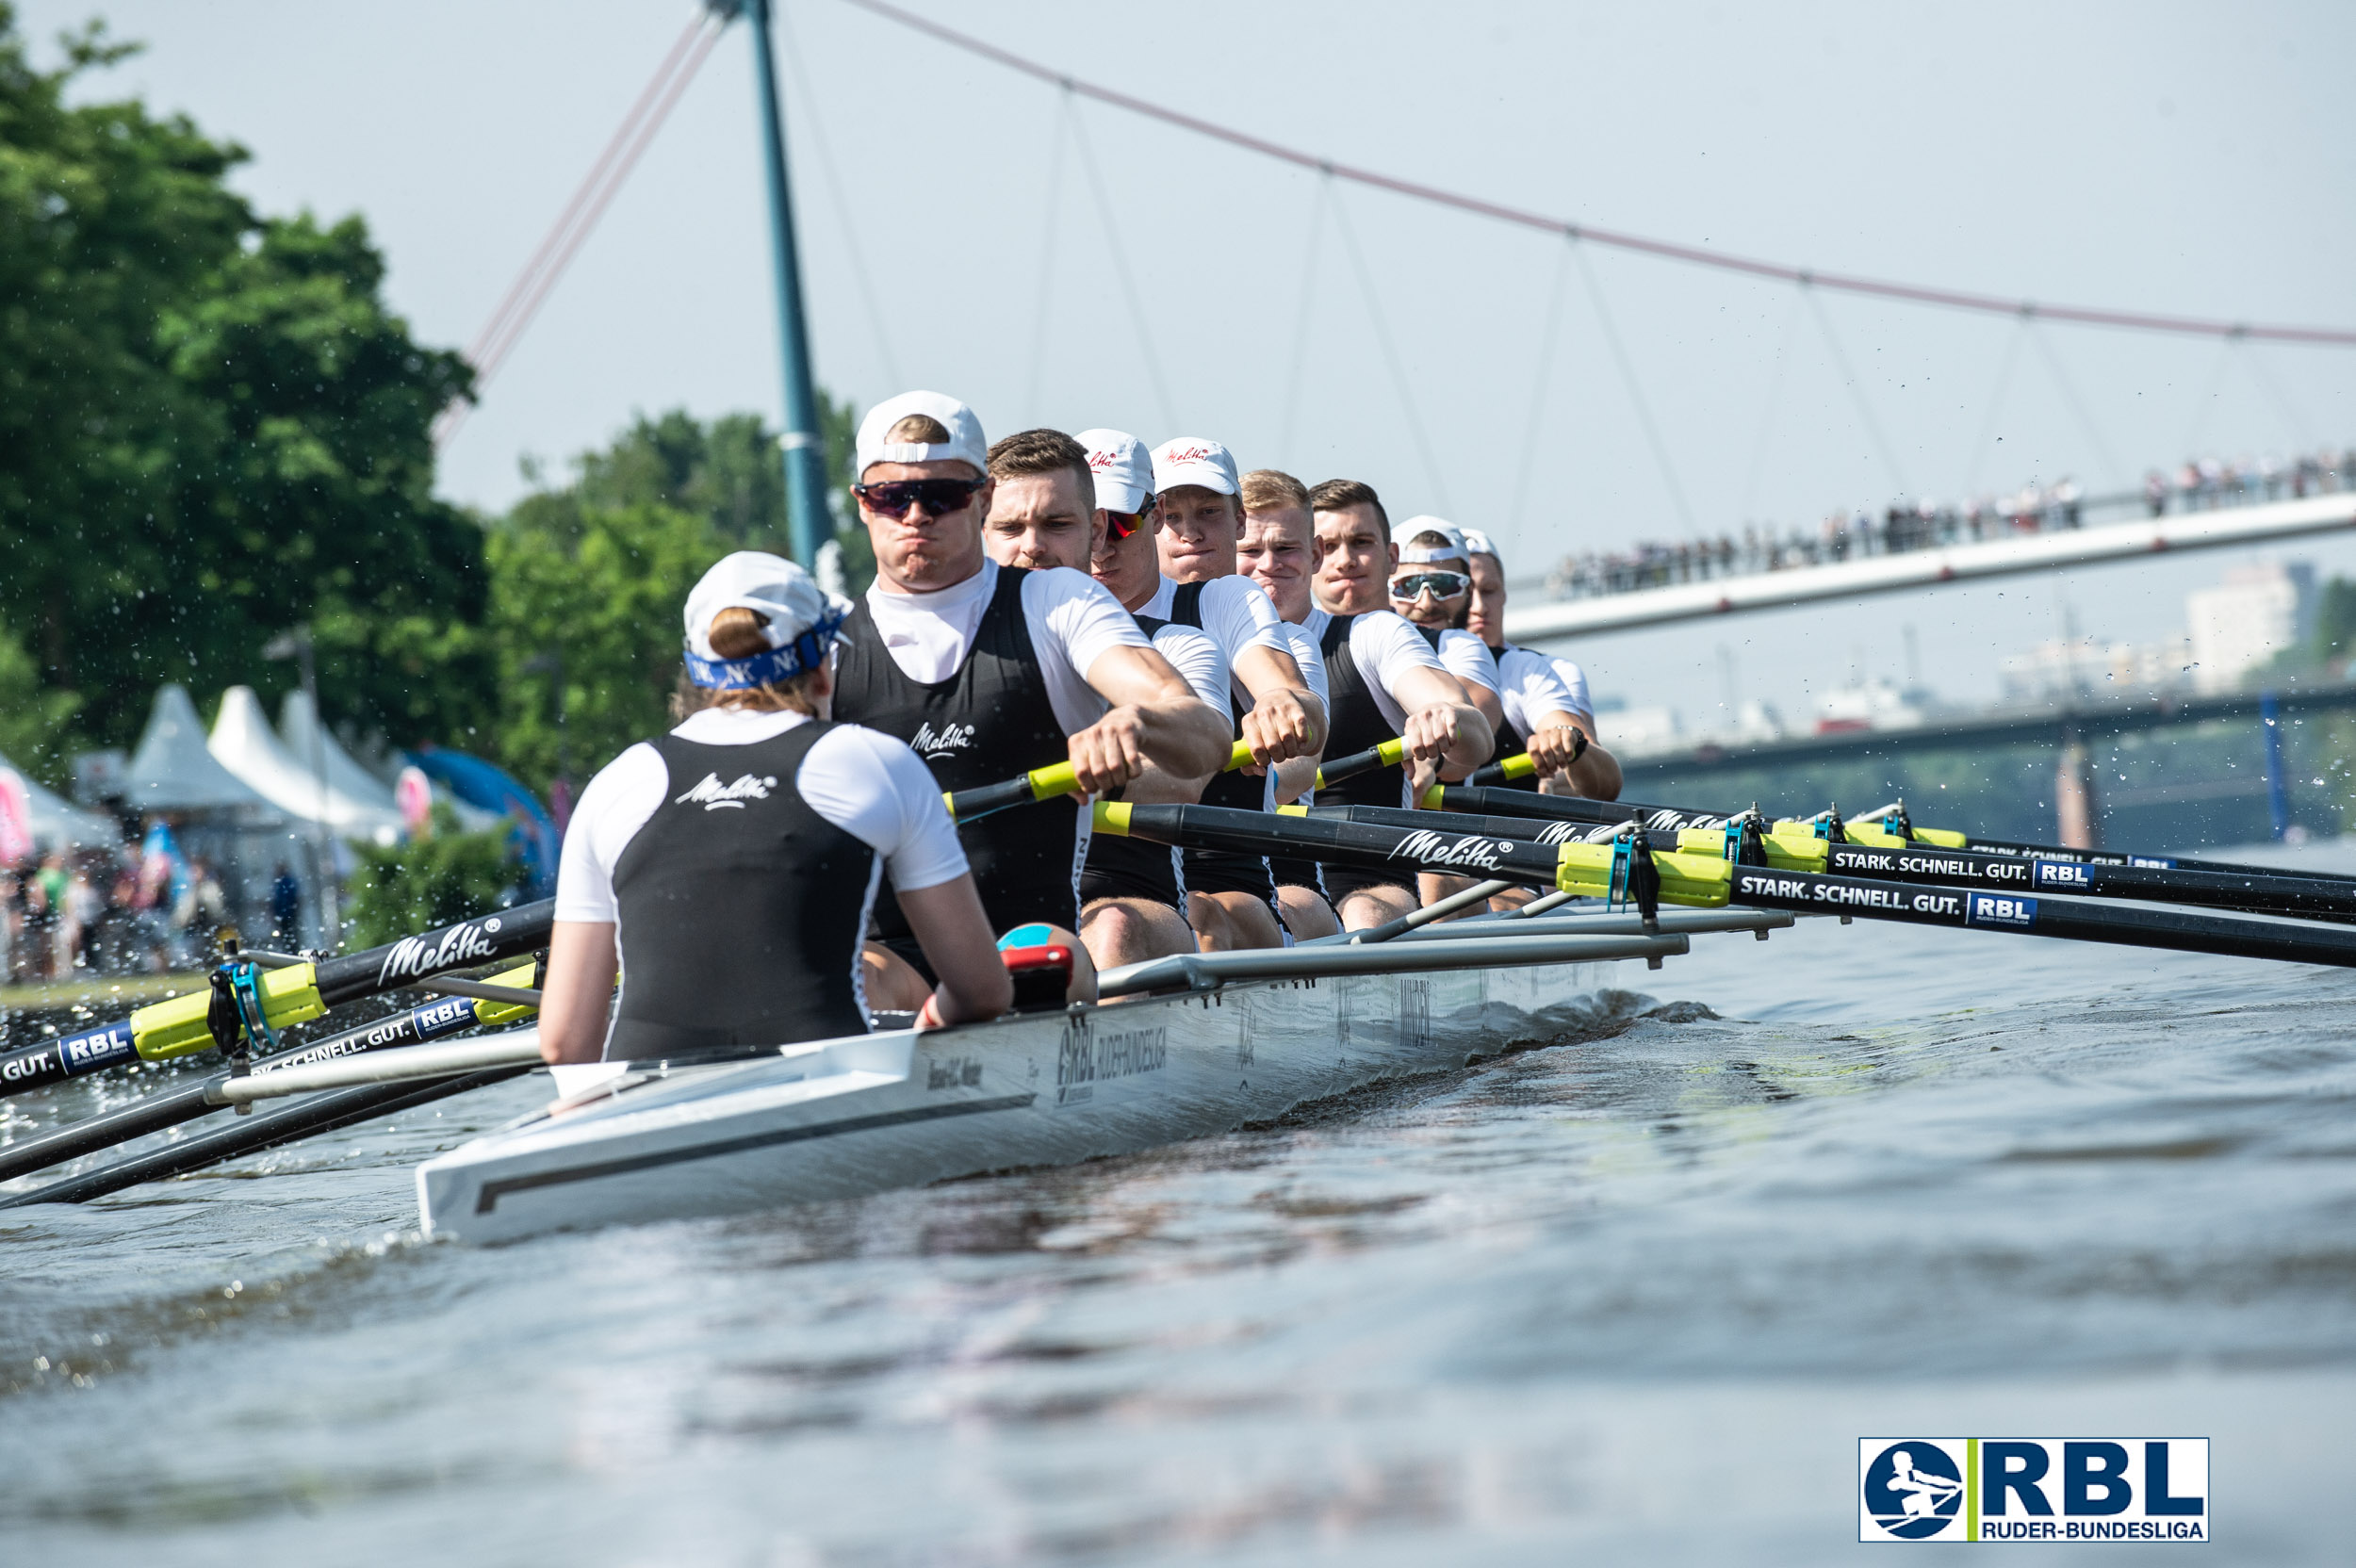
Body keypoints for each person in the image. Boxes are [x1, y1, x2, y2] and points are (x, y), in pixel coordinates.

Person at [827, 391, 1231, 1005]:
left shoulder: (1055, 602)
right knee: (838, 968)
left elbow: (1203, 736)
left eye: (942, 496)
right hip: (898, 960)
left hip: (1035, 949)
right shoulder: (827, 642)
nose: (916, 515)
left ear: (980, 497)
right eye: (892, 497)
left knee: (1078, 942)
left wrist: (1139, 727)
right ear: (862, 504)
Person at [539, 551, 1014, 1065]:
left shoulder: (618, 782)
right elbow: (983, 992)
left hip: (641, 1095)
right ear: (823, 670)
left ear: (697, 676)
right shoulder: (873, 762)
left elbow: (564, 1043)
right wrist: (926, 1032)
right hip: (832, 1085)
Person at [983, 427, 1220, 972]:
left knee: (1109, 930)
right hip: (969, 909)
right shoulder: (938, 647)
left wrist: (1123, 747)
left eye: (1056, 525)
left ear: (1089, 531)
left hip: (1129, 895)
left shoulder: (1173, 641)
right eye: (1011, 527)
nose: (1032, 547)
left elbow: (1190, 776)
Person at [1082, 433, 1325, 950]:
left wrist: (1283, 705)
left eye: (1120, 525)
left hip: (1227, 880)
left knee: (1195, 915)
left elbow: (1300, 744)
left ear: (1151, 515)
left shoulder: (1221, 602)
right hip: (1097, 888)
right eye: (1086, 527)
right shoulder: (1049, 614)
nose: (1101, 548)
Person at [1304, 478, 1493, 929]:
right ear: (1311, 556)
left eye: (1360, 543)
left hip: (1409, 858)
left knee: (1433, 883)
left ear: (1391, 558)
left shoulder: (1447, 644)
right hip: (1293, 866)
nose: (1345, 559)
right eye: (1328, 546)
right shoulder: (1257, 643)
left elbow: (1468, 733)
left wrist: (1438, 736)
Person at [1236, 468, 1350, 939]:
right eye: (1250, 551)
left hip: (1285, 876)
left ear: (1315, 554)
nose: (1267, 564)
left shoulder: (1296, 642)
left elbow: (1300, 770)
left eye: (1284, 548)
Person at [1461, 528, 1622, 800]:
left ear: (1504, 595)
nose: (1479, 606)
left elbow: (1601, 788)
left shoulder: (1549, 672)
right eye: (1467, 592)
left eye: (1489, 591)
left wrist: (1569, 751)